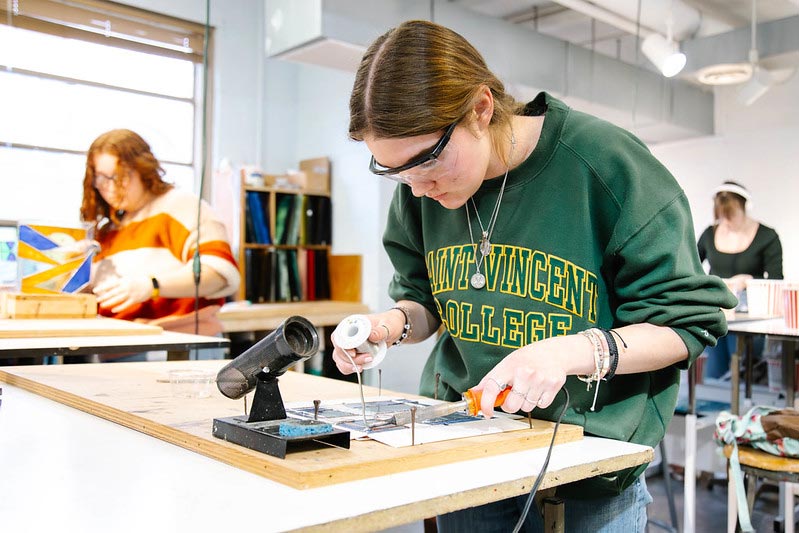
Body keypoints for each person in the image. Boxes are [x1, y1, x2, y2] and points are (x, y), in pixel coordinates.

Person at [331, 20, 736, 532]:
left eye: (426, 161)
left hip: (590, 464)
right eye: (394, 172)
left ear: (481, 108)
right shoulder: (423, 190)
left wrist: (570, 352)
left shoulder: (605, 166)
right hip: (470, 450)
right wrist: (387, 326)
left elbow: (688, 325)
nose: (416, 190)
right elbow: (423, 300)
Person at [79, 129, 240, 354]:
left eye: (120, 176)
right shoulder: (110, 230)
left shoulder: (178, 206)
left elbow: (220, 275)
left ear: (142, 169)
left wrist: (152, 286)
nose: (112, 188)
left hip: (176, 346)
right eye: (102, 179)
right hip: (118, 349)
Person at [697, 180, 783, 380]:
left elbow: (777, 279)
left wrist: (749, 280)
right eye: (722, 217)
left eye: (731, 216)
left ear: (745, 208)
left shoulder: (767, 237)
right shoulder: (710, 234)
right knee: (714, 374)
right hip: (715, 313)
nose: (727, 222)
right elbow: (691, 267)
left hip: (750, 316)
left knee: (743, 371)